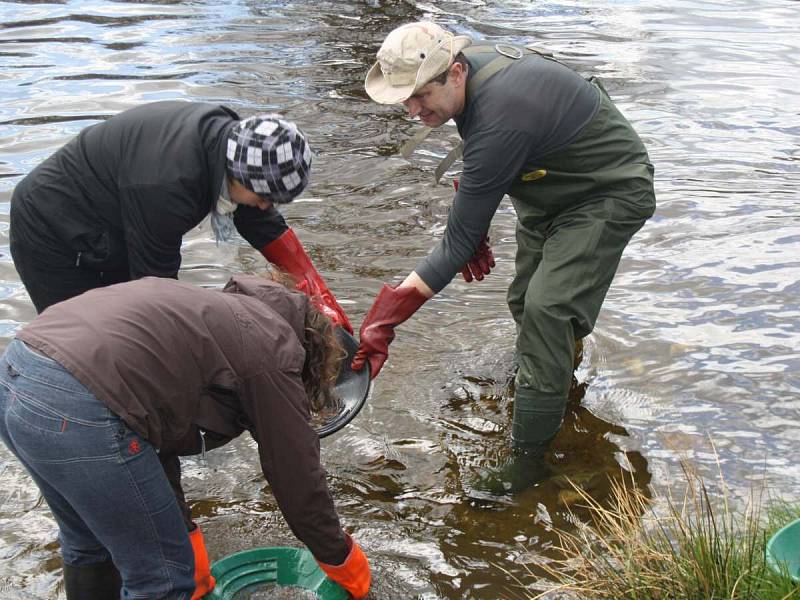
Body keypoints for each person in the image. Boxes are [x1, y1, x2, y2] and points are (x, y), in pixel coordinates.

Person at [353, 21, 656, 491]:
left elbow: (454, 244)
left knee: (547, 310)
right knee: (524, 302)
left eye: (419, 96)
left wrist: (384, 323)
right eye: (404, 100)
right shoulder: (467, 72)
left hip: (606, 192)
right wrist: (474, 201)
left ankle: (529, 462)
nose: (413, 110)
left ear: (455, 73)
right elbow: (485, 161)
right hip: (548, 187)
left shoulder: (502, 111)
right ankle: (555, 380)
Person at [0, 273, 371, 599]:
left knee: (91, 543)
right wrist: (342, 559)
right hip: (78, 403)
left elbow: (148, 433)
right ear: (309, 350)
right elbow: (297, 477)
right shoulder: (271, 346)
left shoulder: (211, 313)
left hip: (19, 370)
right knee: (163, 582)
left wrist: (184, 533)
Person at [9, 100, 352, 333]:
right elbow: (155, 291)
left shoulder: (233, 142)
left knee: (131, 329)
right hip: (51, 232)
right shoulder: (168, 185)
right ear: (237, 175)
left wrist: (323, 302)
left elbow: (262, 223)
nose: (265, 206)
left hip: (112, 221)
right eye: (265, 197)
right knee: (88, 337)